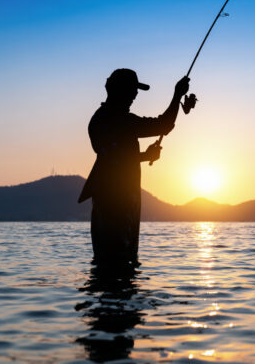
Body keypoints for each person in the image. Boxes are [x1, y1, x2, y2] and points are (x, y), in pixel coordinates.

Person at [78, 68, 189, 265]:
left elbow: (114, 157)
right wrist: (177, 95)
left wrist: (145, 156)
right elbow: (163, 125)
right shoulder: (118, 120)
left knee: (111, 263)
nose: (135, 95)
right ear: (119, 91)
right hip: (118, 204)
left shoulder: (101, 119)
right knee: (119, 260)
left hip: (114, 202)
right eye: (132, 90)